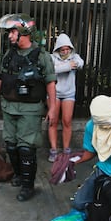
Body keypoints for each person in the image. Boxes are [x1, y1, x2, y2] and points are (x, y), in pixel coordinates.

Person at [0, 13, 57, 201]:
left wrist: (52, 108)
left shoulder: (42, 57)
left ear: (24, 32)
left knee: (26, 148)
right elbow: (0, 78)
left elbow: (51, 84)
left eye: (12, 32)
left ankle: (28, 186)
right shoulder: (9, 54)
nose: (10, 36)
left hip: (30, 110)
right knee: (11, 146)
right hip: (9, 107)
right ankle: (20, 175)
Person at [48, 33, 84, 162]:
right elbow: (51, 70)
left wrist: (74, 64)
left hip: (69, 93)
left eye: (67, 49)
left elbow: (80, 63)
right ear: (57, 49)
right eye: (62, 49)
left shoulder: (75, 57)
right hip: (54, 93)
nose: (65, 51)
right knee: (53, 121)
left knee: (67, 121)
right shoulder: (52, 58)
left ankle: (66, 150)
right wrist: (67, 66)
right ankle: (53, 150)